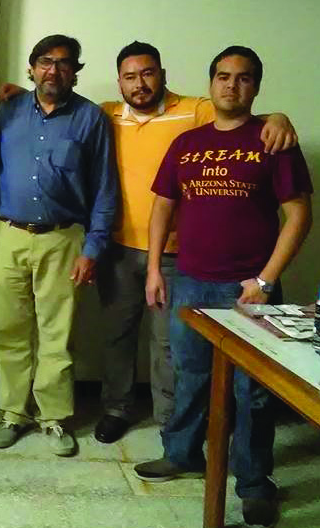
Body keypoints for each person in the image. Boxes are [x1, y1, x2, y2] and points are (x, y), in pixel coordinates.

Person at [134, 46, 312, 528]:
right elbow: (163, 207)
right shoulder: (187, 144)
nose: (232, 85)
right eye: (223, 76)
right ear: (211, 83)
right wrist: (154, 269)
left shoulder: (275, 140)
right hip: (190, 281)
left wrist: (266, 280)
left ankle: (254, 483)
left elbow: (298, 215)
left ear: (256, 86)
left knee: (252, 392)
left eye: (244, 78)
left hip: (250, 291)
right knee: (189, 375)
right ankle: (183, 454)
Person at [92, 41, 297, 444]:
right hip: (117, 248)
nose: (140, 83)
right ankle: (117, 409)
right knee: (117, 336)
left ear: (163, 75)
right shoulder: (105, 115)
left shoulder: (196, 109)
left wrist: (280, 116)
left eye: (148, 73)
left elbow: (237, 110)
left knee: (169, 346)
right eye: (130, 76)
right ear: (119, 81)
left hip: (176, 256)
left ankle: (171, 421)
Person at [0, 34, 116, 456]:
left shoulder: (91, 120)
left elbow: (104, 190)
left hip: (64, 239)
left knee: (57, 335)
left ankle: (54, 418)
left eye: (64, 63)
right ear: (31, 67)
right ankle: (12, 413)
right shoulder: (6, 113)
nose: (53, 70)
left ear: (75, 71)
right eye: (45, 61)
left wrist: (92, 249)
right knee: (8, 330)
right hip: (7, 234)